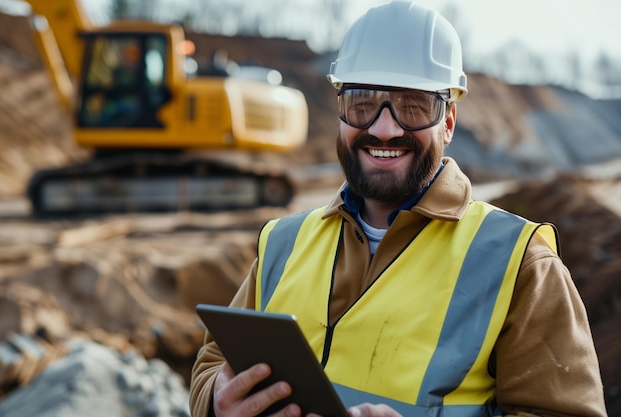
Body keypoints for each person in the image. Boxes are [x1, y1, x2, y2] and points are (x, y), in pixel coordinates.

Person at [190, 1, 608, 416]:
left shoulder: (521, 266)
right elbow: (212, 363)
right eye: (362, 103)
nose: (383, 128)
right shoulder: (282, 243)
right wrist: (216, 401)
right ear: (340, 112)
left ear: (448, 121)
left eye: (413, 106)